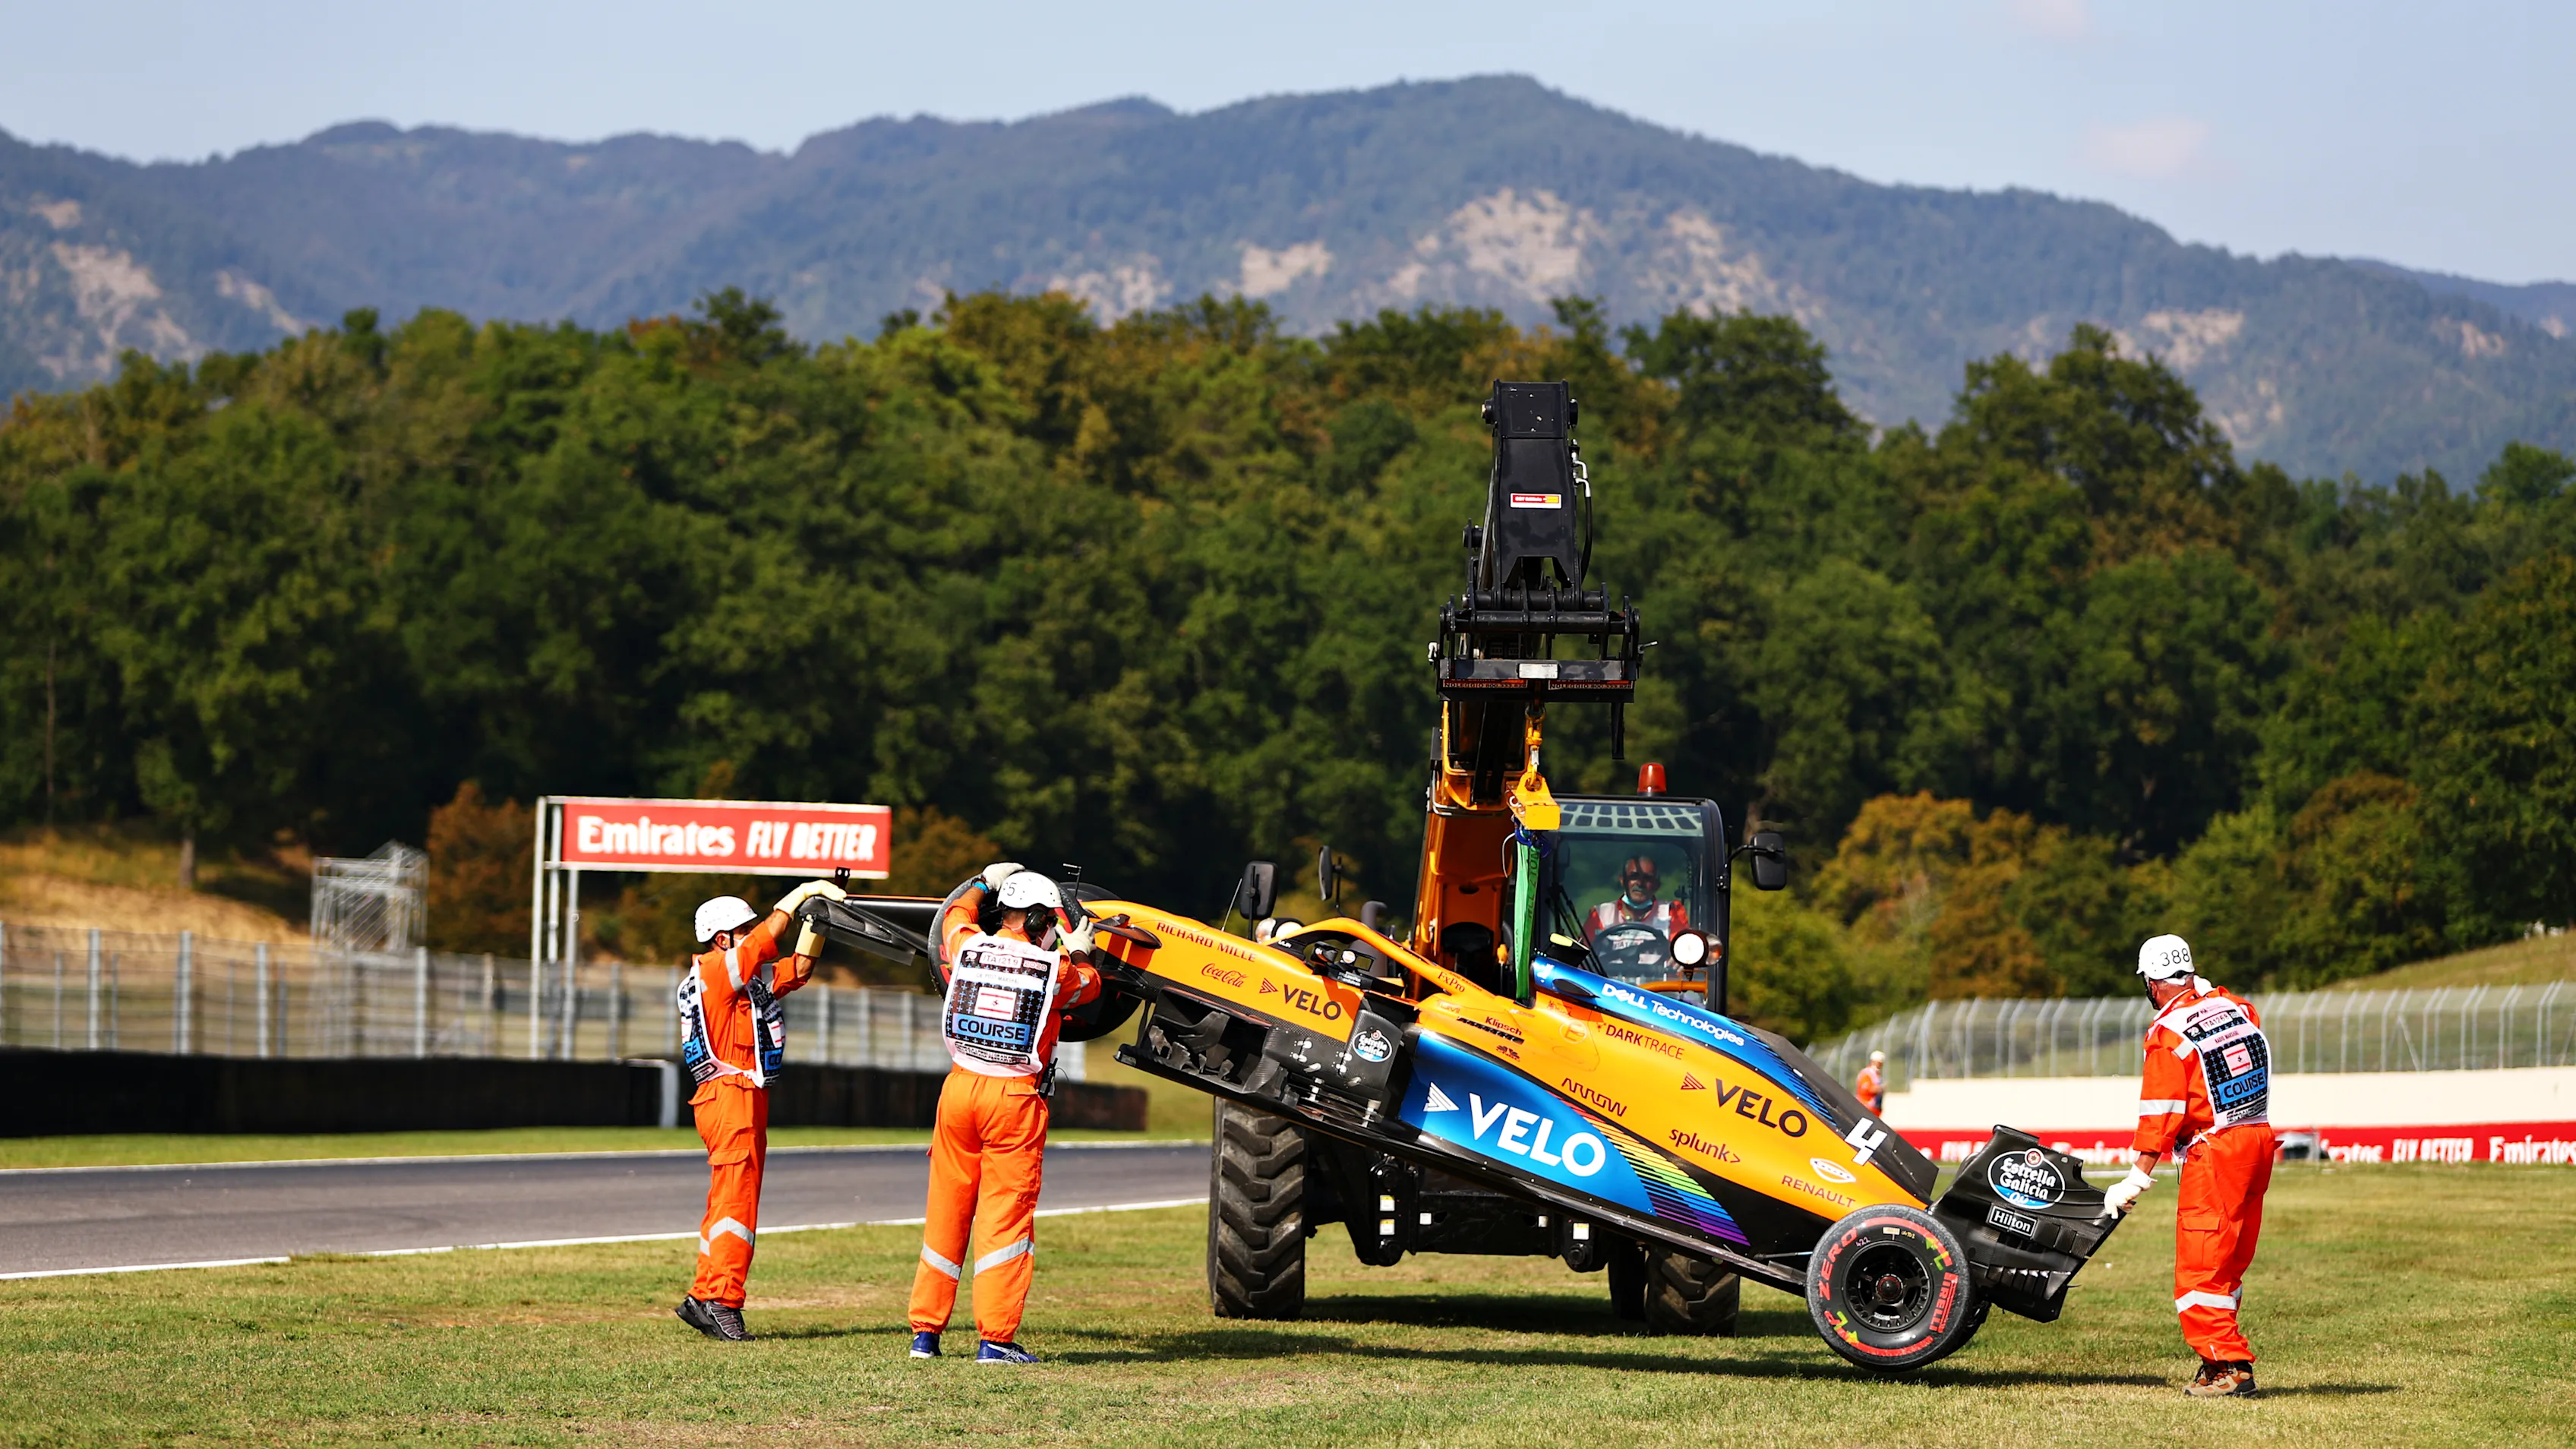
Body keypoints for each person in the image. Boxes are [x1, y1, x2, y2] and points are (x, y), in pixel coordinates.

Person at [907, 862, 1103, 1364]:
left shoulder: (966, 943)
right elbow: (1090, 988)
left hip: (957, 1090)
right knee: (1005, 1218)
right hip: (1013, 1097)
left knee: (947, 1211)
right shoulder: (1053, 969)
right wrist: (1077, 949)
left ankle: (925, 1336)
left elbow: (954, 914)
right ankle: (995, 1340)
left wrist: (981, 880)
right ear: (1038, 921)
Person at [2098, 934, 2276, 1398]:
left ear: (2152, 983)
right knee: (2229, 1262)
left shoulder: (2167, 1035)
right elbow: (2241, 1016)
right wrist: (2204, 992)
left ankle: (2228, 1367)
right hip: (2258, 1141)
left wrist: (2135, 1178)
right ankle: (2216, 1359)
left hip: (2215, 1152)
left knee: (2200, 1268)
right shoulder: (2236, 1007)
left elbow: (2160, 1114)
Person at [673, 876, 844, 1340]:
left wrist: (818, 921)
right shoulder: (714, 970)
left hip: (736, 1097)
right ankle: (723, 1301)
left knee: (724, 1203)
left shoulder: (739, 978)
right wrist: (801, 893)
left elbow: (798, 969)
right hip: (730, 1097)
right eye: (745, 929)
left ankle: (703, 1294)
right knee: (736, 1206)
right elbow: (768, 941)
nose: (755, 934)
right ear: (723, 938)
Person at [1585, 855, 1689, 940]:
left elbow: (1686, 951)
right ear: (1622, 880)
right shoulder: (1600, 915)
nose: (1640, 883)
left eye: (1647, 878)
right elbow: (1582, 957)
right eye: (1634, 877)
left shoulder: (1671, 913)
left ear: (1657, 885)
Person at [1855, 1050, 1887, 1115]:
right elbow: (1866, 1089)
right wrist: (1880, 1088)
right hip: (1866, 1107)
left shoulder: (1877, 1074)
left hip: (1875, 1108)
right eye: (1879, 1063)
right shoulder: (1867, 1073)